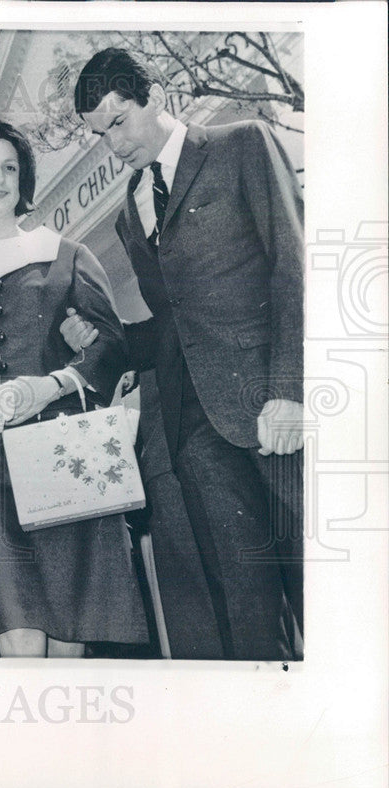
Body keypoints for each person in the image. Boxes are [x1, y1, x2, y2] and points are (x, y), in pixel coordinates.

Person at [67, 48, 303, 659]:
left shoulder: (242, 144)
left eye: (119, 121)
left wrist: (288, 391)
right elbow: (170, 327)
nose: (113, 145)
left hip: (272, 411)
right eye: (100, 134)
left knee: (323, 584)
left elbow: (293, 267)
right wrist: (105, 340)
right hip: (195, 432)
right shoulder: (129, 211)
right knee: (247, 617)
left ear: (156, 97)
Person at [0, 118, 149, 658]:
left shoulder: (66, 254)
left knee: (69, 631)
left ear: (23, 182)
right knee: (15, 632)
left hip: (65, 449)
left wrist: (52, 384)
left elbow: (112, 344)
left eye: (10, 167)